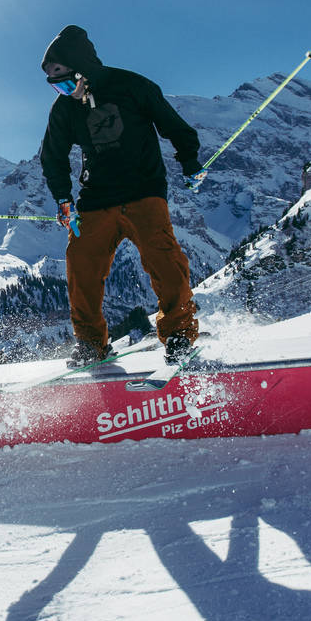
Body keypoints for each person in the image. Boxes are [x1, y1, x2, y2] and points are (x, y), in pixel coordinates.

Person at [38, 25, 207, 367]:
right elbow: (52, 156)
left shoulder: (132, 86)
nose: (62, 90)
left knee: (164, 262)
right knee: (81, 267)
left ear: (80, 67)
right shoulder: (64, 109)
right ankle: (91, 344)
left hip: (143, 192)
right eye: (54, 85)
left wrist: (189, 160)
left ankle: (178, 334)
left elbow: (171, 124)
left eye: (65, 80)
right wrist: (63, 198)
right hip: (95, 199)